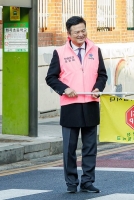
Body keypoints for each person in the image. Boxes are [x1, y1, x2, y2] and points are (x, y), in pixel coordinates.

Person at [45, 16, 108, 193]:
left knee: (90, 148)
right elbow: (51, 77)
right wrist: (64, 89)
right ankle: (71, 182)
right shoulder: (60, 52)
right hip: (70, 105)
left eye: (83, 30)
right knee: (69, 149)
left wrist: (98, 87)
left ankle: (87, 181)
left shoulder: (95, 50)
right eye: (77, 32)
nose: (81, 34)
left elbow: (102, 75)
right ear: (69, 34)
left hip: (90, 103)